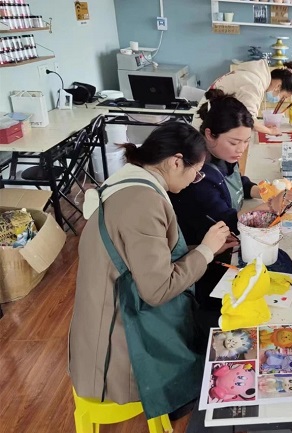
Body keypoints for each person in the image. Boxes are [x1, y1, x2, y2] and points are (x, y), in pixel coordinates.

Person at [69, 122, 232, 418]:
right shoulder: (143, 202)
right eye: (196, 172)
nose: (195, 180)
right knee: (224, 349)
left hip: (110, 323)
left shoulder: (129, 182)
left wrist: (204, 248)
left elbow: (149, 257)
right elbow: (157, 290)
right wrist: (205, 251)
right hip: (122, 352)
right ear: (176, 162)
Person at [170, 89, 292, 307]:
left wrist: (264, 191)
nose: (241, 149)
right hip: (203, 262)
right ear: (209, 134)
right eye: (234, 142)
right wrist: (267, 208)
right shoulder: (198, 175)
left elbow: (240, 182)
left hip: (227, 245)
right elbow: (228, 221)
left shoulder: (223, 155)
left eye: (246, 141)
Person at [192, 60, 292, 135]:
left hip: (209, 122)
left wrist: (264, 128)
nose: (280, 99)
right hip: (206, 129)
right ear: (278, 86)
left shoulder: (252, 76)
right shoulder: (254, 84)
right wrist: (270, 131)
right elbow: (249, 120)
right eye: (283, 96)